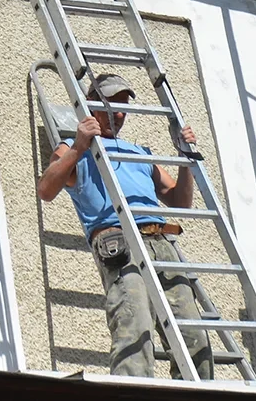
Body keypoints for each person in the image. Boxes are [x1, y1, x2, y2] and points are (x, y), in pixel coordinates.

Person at [35, 73, 213, 378]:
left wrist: (186, 159)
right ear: (92, 106)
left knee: (192, 333)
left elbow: (180, 202)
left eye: (123, 106)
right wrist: (79, 146)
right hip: (119, 241)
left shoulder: (140, 152)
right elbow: (46, 190)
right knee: (135, 327)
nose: (119, 113)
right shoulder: (75, 149)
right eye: (111, 105)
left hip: (160, 242)